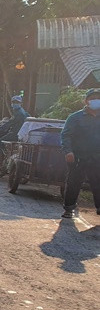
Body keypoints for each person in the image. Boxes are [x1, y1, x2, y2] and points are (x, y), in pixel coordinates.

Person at [60, 88, 100, 218]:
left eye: (98, 98)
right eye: (92, 98)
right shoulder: (75, 118)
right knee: (74, 182)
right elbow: (66, 135)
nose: (96, 101)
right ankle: (69, 208)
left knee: (97, 183)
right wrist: (68, 151)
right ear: (86, 101)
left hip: (97, 157)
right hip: (78, 157)